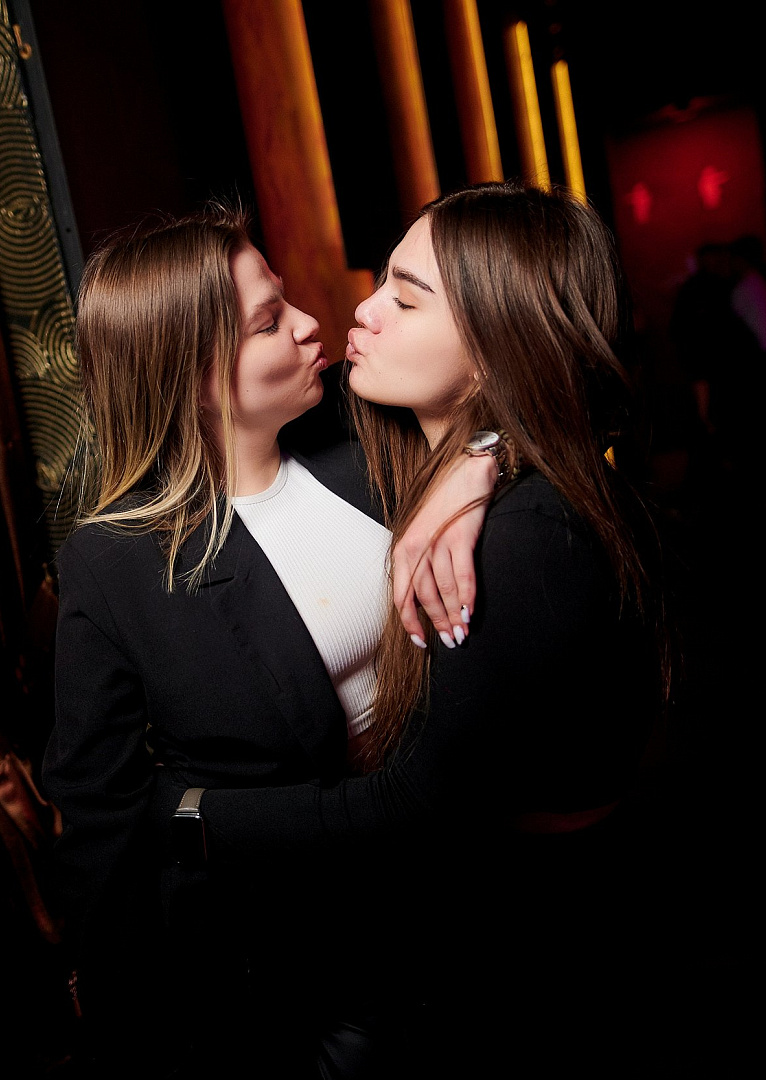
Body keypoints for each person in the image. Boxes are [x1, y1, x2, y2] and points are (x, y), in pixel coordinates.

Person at [160, 183, 668, 1069]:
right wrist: (484, 450)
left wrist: (191, 815)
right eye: (381, 283)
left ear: (494, 350)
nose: (361, 310)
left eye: (406, 297)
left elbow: (418, 809)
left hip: (535, 958)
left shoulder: (522, 542)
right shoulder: (402, 455)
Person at [41, 206, 497, 1077]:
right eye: (267, 321)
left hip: (460, 882)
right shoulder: (117, 562)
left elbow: (548, 398)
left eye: (284, 298)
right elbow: (100, 818)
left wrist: (478, 464)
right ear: (191, 376)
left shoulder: (361, 431)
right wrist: (121, 1020)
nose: (308, 323)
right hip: (287, 955)